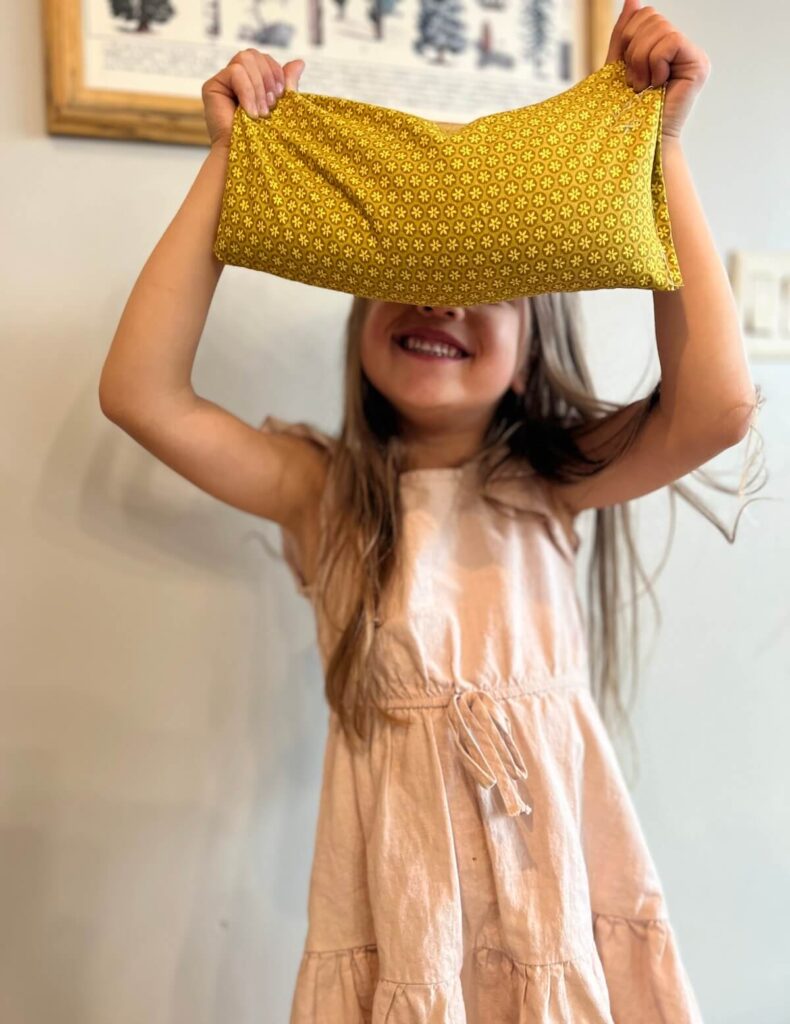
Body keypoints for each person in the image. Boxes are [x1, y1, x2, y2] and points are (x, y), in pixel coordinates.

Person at [99, 1, 765, 1020]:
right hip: (402, 912)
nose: (438, 301)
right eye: (404, 280)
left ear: (534, 343)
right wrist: (229, 164)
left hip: (557, 905)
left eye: (479, 286)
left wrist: (659, 146)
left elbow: (716, 408)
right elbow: (142, 393)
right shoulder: (321, 491)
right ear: (361, 317)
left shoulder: (552, 481)